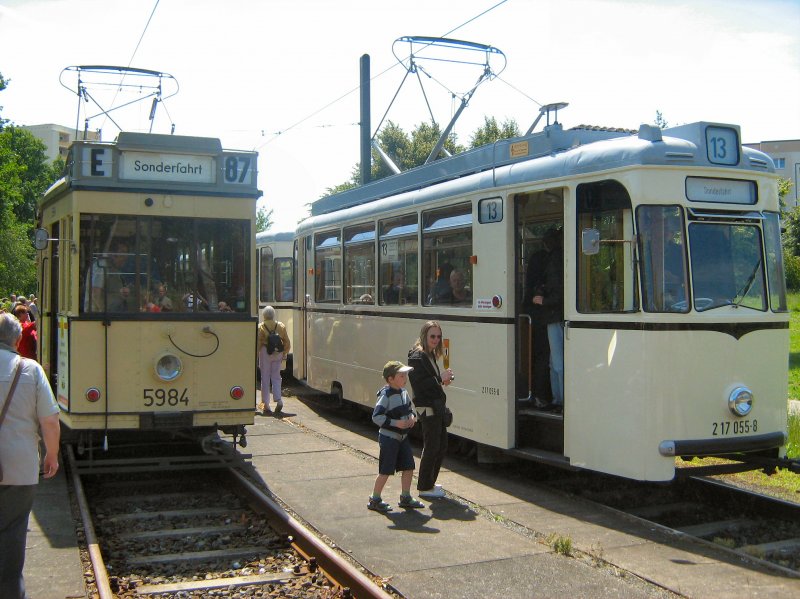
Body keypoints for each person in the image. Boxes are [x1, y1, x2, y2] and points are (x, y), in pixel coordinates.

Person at [0, 312, 60, 598]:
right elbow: (49, 420)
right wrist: (52, 454)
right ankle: (11, 591)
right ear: (19, 337)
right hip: (20, 467)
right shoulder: (31, 369)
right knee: (12, 530)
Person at [367, 361, 424, 512]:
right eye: (401, 375)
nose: (405, 378)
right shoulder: (385, 395)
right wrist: (395, 423)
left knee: (409, 467)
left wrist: (412, 417)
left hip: (402, 438)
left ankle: (405, 496)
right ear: (390, 379)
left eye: (405, 375)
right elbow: (376, 416)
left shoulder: (403, 392)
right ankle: (375, 498)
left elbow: (410, 409)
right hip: (389, 438)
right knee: (386, 470)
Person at [407, 320, 454, 498]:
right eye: (432, 336)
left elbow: (431, 381)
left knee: (440, 445)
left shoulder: (429, 354)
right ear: (424, 336)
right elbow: (419, 384)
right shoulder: (417, 356)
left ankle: (429, 483)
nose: (436, 340)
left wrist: (442, 379)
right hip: (427, 406)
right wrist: (440, 379)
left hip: (434, 405)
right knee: (433, 446)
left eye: (438, 337)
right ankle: (425, 487)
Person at [532, 226, 564, 414]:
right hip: (554, 316)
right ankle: (557, 398)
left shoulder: (554, 260)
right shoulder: (558, 258)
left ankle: (560, 400)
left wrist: (543, 299)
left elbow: (558, 293)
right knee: (554, 361)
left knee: (557, 362)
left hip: (554, 316)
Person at [523, 240, 552, 409]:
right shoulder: (543, 279)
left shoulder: (531, 284)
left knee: (536, 357)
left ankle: (537, 394)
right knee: (543, 358)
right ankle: (541, 395)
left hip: (532, 317)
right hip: (541, 318)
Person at [256, 305, 291, 415]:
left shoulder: (261, 327)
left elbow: (258, 344)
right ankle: (278, 400)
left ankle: (266, 405)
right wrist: (284, 353)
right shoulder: (280, 326)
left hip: (266, 352)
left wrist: (256, 355)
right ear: (273, 315)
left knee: (265, 377)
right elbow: (287, 342)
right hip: (278, 353)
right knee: (276, 376)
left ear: (264, 315)